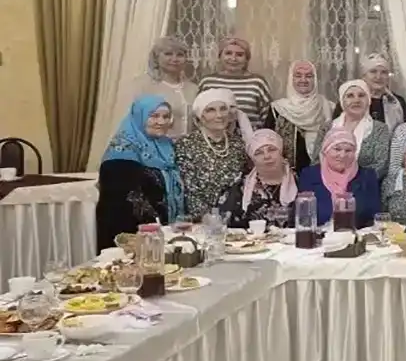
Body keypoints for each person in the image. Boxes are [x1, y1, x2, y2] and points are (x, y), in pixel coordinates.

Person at [96, 95, 186, 250]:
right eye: (154, 116)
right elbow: (125, 199)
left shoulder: (167, 146)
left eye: (166, 117)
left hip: (162, 233)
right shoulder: (122, 149)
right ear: (139, 117)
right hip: (130, 232)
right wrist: (154, 229)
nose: (161, 122)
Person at [176, 89, 249, 219]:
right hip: (199, 220)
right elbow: (189, 190)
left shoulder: (238, 144)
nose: (219, 115)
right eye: (211, 110)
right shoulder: (186, 144)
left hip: (233, 219)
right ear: (200, 116)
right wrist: (209, 219)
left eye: (223, 109)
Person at [297, 128, 381, 229]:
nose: (342, 155)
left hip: (356, 236)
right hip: (318, 235)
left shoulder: (367, 176)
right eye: (337, 149)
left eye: (348, 150)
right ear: (326, 150)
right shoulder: (309, 175)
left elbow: (374, 217)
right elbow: (303, 216)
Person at [217, 129, 298, 229]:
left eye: (272, 149)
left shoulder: (301, 181)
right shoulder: (239, 187)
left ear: (281, 152)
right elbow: (223, 226)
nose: (267, 156)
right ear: (253, 159)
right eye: (259, 153)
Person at [264, 60, 333, 171]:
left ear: (315, 80)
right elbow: (267, 143)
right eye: (298, 76)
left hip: (322, 174)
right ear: (291, 79)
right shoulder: (278, 109)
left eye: (309, 76)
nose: (303, 80)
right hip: (287, 174)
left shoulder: (328, 107)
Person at [315, 80, 391, 180]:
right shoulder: (327, 127)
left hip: (364, 185)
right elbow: (316, 161)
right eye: (350, 96)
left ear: (368, 100)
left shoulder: (380, 129)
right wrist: (332, 181)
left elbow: (381, 165)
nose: (356, 100)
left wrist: (350, 180)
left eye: (361, 95)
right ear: (342, 101)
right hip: (326, 183)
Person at [197, 37, 272, 128]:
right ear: (220, 56)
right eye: (228, 53)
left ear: (247, 59)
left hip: (251, 136)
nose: (233, 58)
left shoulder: (257, 82)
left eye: (239, 55)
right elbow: (199, 114)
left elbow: (267, 118)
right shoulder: (208, 82)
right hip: (214, 135)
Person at [131, 37, 198, 138]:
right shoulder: (142, 85)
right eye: (168, 54)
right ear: (156, 58)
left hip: (188, 145)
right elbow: (133, 121)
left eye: (180, 55)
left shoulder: (193, 89)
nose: (174, 59)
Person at [356, 52, 406, 130]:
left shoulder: (398, 102)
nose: (378, 77)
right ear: (364, 76)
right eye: (373, 71)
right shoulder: (353, 100)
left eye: (384, 72)